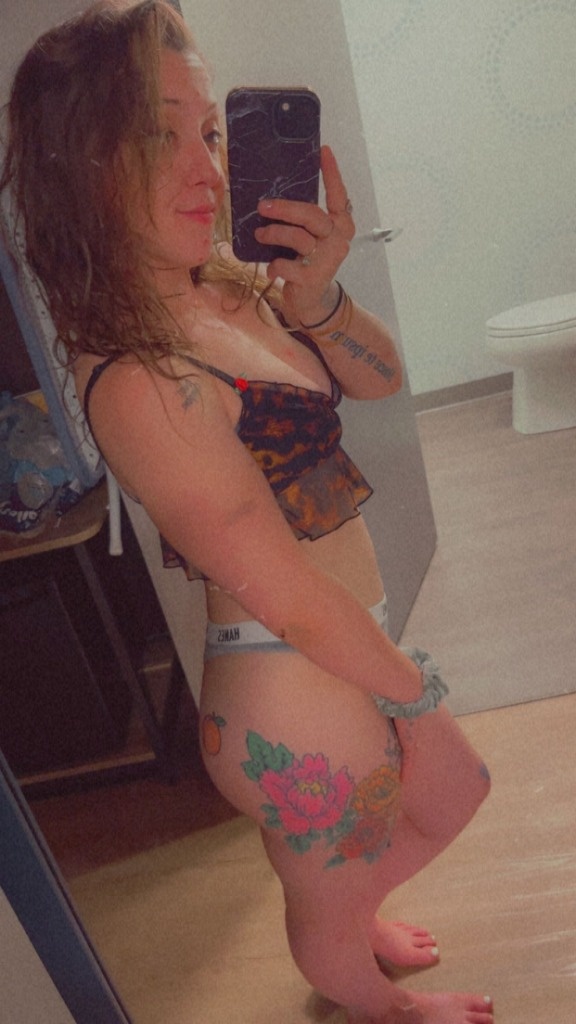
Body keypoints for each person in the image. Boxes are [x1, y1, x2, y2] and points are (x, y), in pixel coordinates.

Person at [1, 3, 495, 1022]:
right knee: (436, 803)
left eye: (209, 130)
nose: (208, 169)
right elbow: (283, 588)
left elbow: (379, 378)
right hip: (287, 676)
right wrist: (418, 703)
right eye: (157, 135)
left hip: (332, 642)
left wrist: (317, 295)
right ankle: (363, 989)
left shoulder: (225, 282)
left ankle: (346, 915)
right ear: (76, 165)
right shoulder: (140, 378)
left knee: (351, 854)